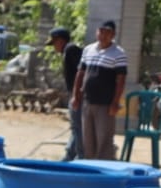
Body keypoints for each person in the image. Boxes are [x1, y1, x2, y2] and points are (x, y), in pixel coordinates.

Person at [74, 20, 128, 161]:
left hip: (105, 104)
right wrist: (76, 96)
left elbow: (121, 80)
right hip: (87, 101)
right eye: (101, 31)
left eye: (107, 33)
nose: (103, 35)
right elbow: (80, 73)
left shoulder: (118, 53)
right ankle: (90, 166)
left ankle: (105, 166)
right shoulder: (88, 49)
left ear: (113, 35)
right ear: (97, 32)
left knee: (104, 139)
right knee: (88, 139)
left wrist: (115, 102)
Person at [49, 27, 85, 160]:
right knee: (76, 127)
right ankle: (70, 155)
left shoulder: (71, 50)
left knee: (78, 127)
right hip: (74, 94)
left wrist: (77, 94)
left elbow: (81, 72)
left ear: (60, 40)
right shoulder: (68, 50)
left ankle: (79, 156)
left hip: (78, 95)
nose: (54, 47)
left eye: (54, 43)